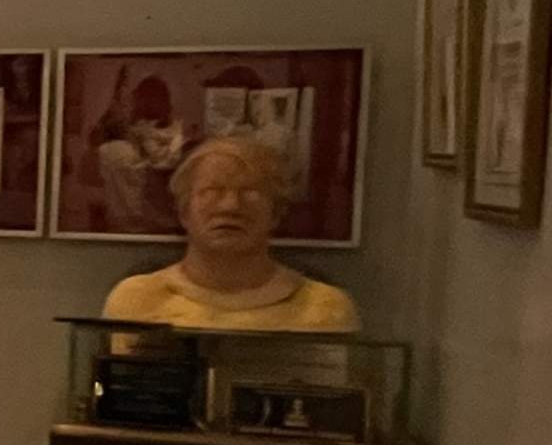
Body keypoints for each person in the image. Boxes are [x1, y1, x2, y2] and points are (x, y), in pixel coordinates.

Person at [101, 134, 361, 330]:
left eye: (250, 192)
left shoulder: (326, 309)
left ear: (276, 212)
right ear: (184, 212)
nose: (230, 206)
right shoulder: (135, 300)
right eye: (212, 191)